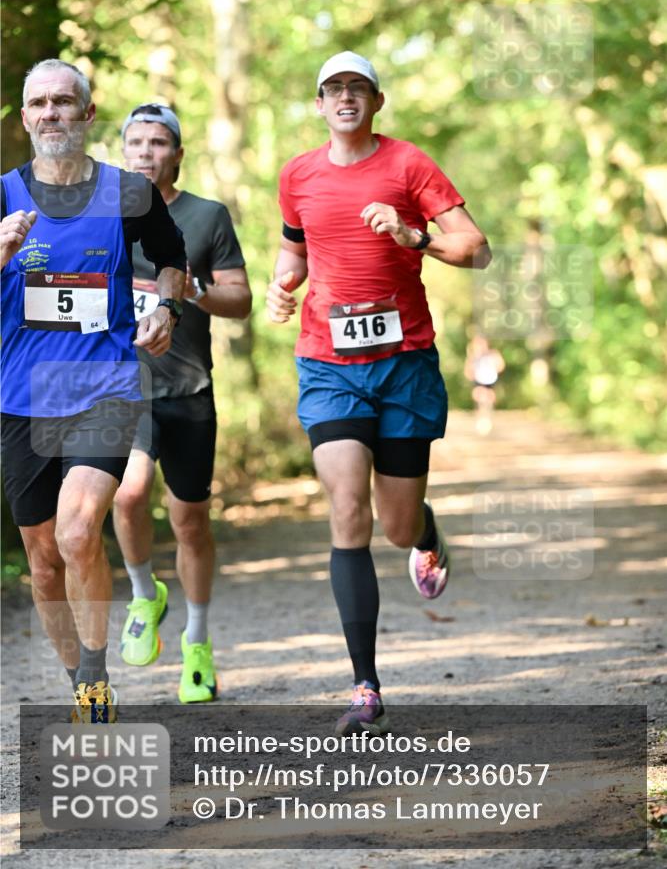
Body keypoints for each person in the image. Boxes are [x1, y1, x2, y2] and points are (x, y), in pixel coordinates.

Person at [266, 51, 491, 735]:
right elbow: (296, 249)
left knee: (393, 525)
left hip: (402, 364)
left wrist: (412, 235)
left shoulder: (407, 165)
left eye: (356, 89)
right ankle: (364, 685)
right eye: (332, 88)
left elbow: (476, 249)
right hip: (328, 365)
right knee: (346, 508)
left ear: (376, 101)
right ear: (317, 103)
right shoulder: (297, 174)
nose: (344, 98)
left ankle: (424, 533)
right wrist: (282, 285)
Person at [0, 60, 186, 722]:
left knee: (79, 533)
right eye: (38, 103)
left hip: (103, 387)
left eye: (63, 101)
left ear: (87, 113)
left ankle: (99, 683)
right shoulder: (2, 198)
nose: (51, 113)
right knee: (44, 561)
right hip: (19, 398)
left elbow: (172, 259)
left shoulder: (126, 193)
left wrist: (167, 309)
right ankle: (81, 681)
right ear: (24, 118)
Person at [112, 103, 251, 703]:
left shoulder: (206, 216)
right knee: (129, 492)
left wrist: (190, 289)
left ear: (178, 153)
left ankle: (196, 640)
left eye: (159, 142)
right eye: (136, 141)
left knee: (190, 519)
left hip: (190, 388)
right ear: (123, 151)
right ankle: (145, 593)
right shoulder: (102, 212)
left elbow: (241, 299)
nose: (146, 152)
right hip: (122, 386)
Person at [464, 334, 505, 435]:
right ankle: (481, 419)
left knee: (489, 398)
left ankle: (487, 418)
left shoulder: (493, 354)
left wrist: (495, 367)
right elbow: (468, 371)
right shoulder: (473, 356)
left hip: (490, 380)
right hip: (479, 379)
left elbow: (501, 366)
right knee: (479, 397)